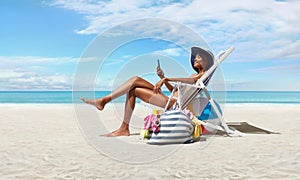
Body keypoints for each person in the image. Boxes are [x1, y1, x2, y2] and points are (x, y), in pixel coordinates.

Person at [80, 47, 214, 137]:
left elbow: (191, 82)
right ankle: (122, 126)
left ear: (206, 61)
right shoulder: (193, 75)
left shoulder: (201, 77)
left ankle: (106, 104)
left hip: (173, 105)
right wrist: (163, 78)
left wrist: (167, 78)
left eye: (199, 57)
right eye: (195, 57)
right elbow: (174, 91)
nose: (195, 58)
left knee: (135, 82)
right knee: (134, 86)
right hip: (169, 99)